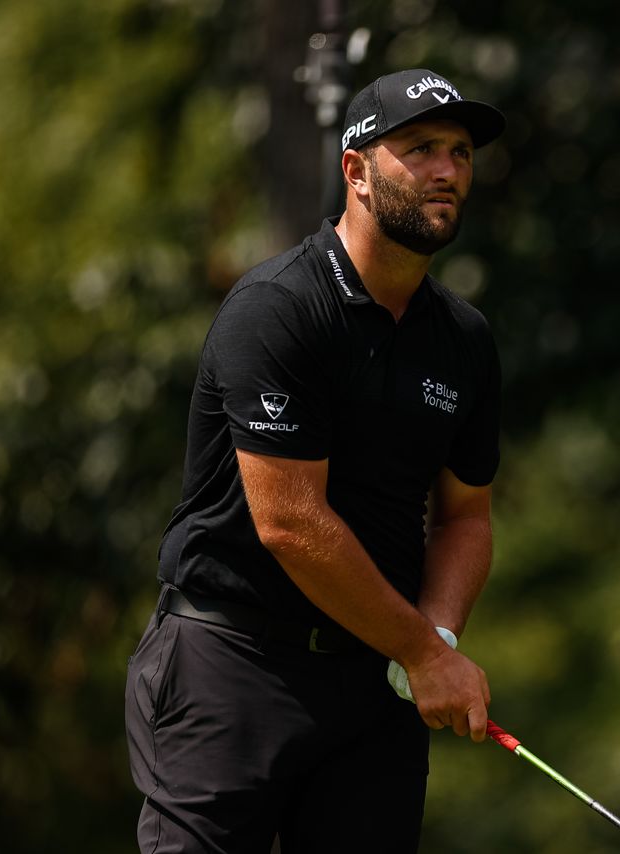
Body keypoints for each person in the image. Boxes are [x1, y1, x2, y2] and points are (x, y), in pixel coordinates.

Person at [124, 67, 507, 853]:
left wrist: (437, 640)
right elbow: (291, 524)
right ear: (356, 171)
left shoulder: (463, 340)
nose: (446, 171)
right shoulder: (279, 309)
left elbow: (466, 516)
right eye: (421, 149)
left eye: (461, 153)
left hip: (371, 689)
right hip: (230, 663)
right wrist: (420, 651)